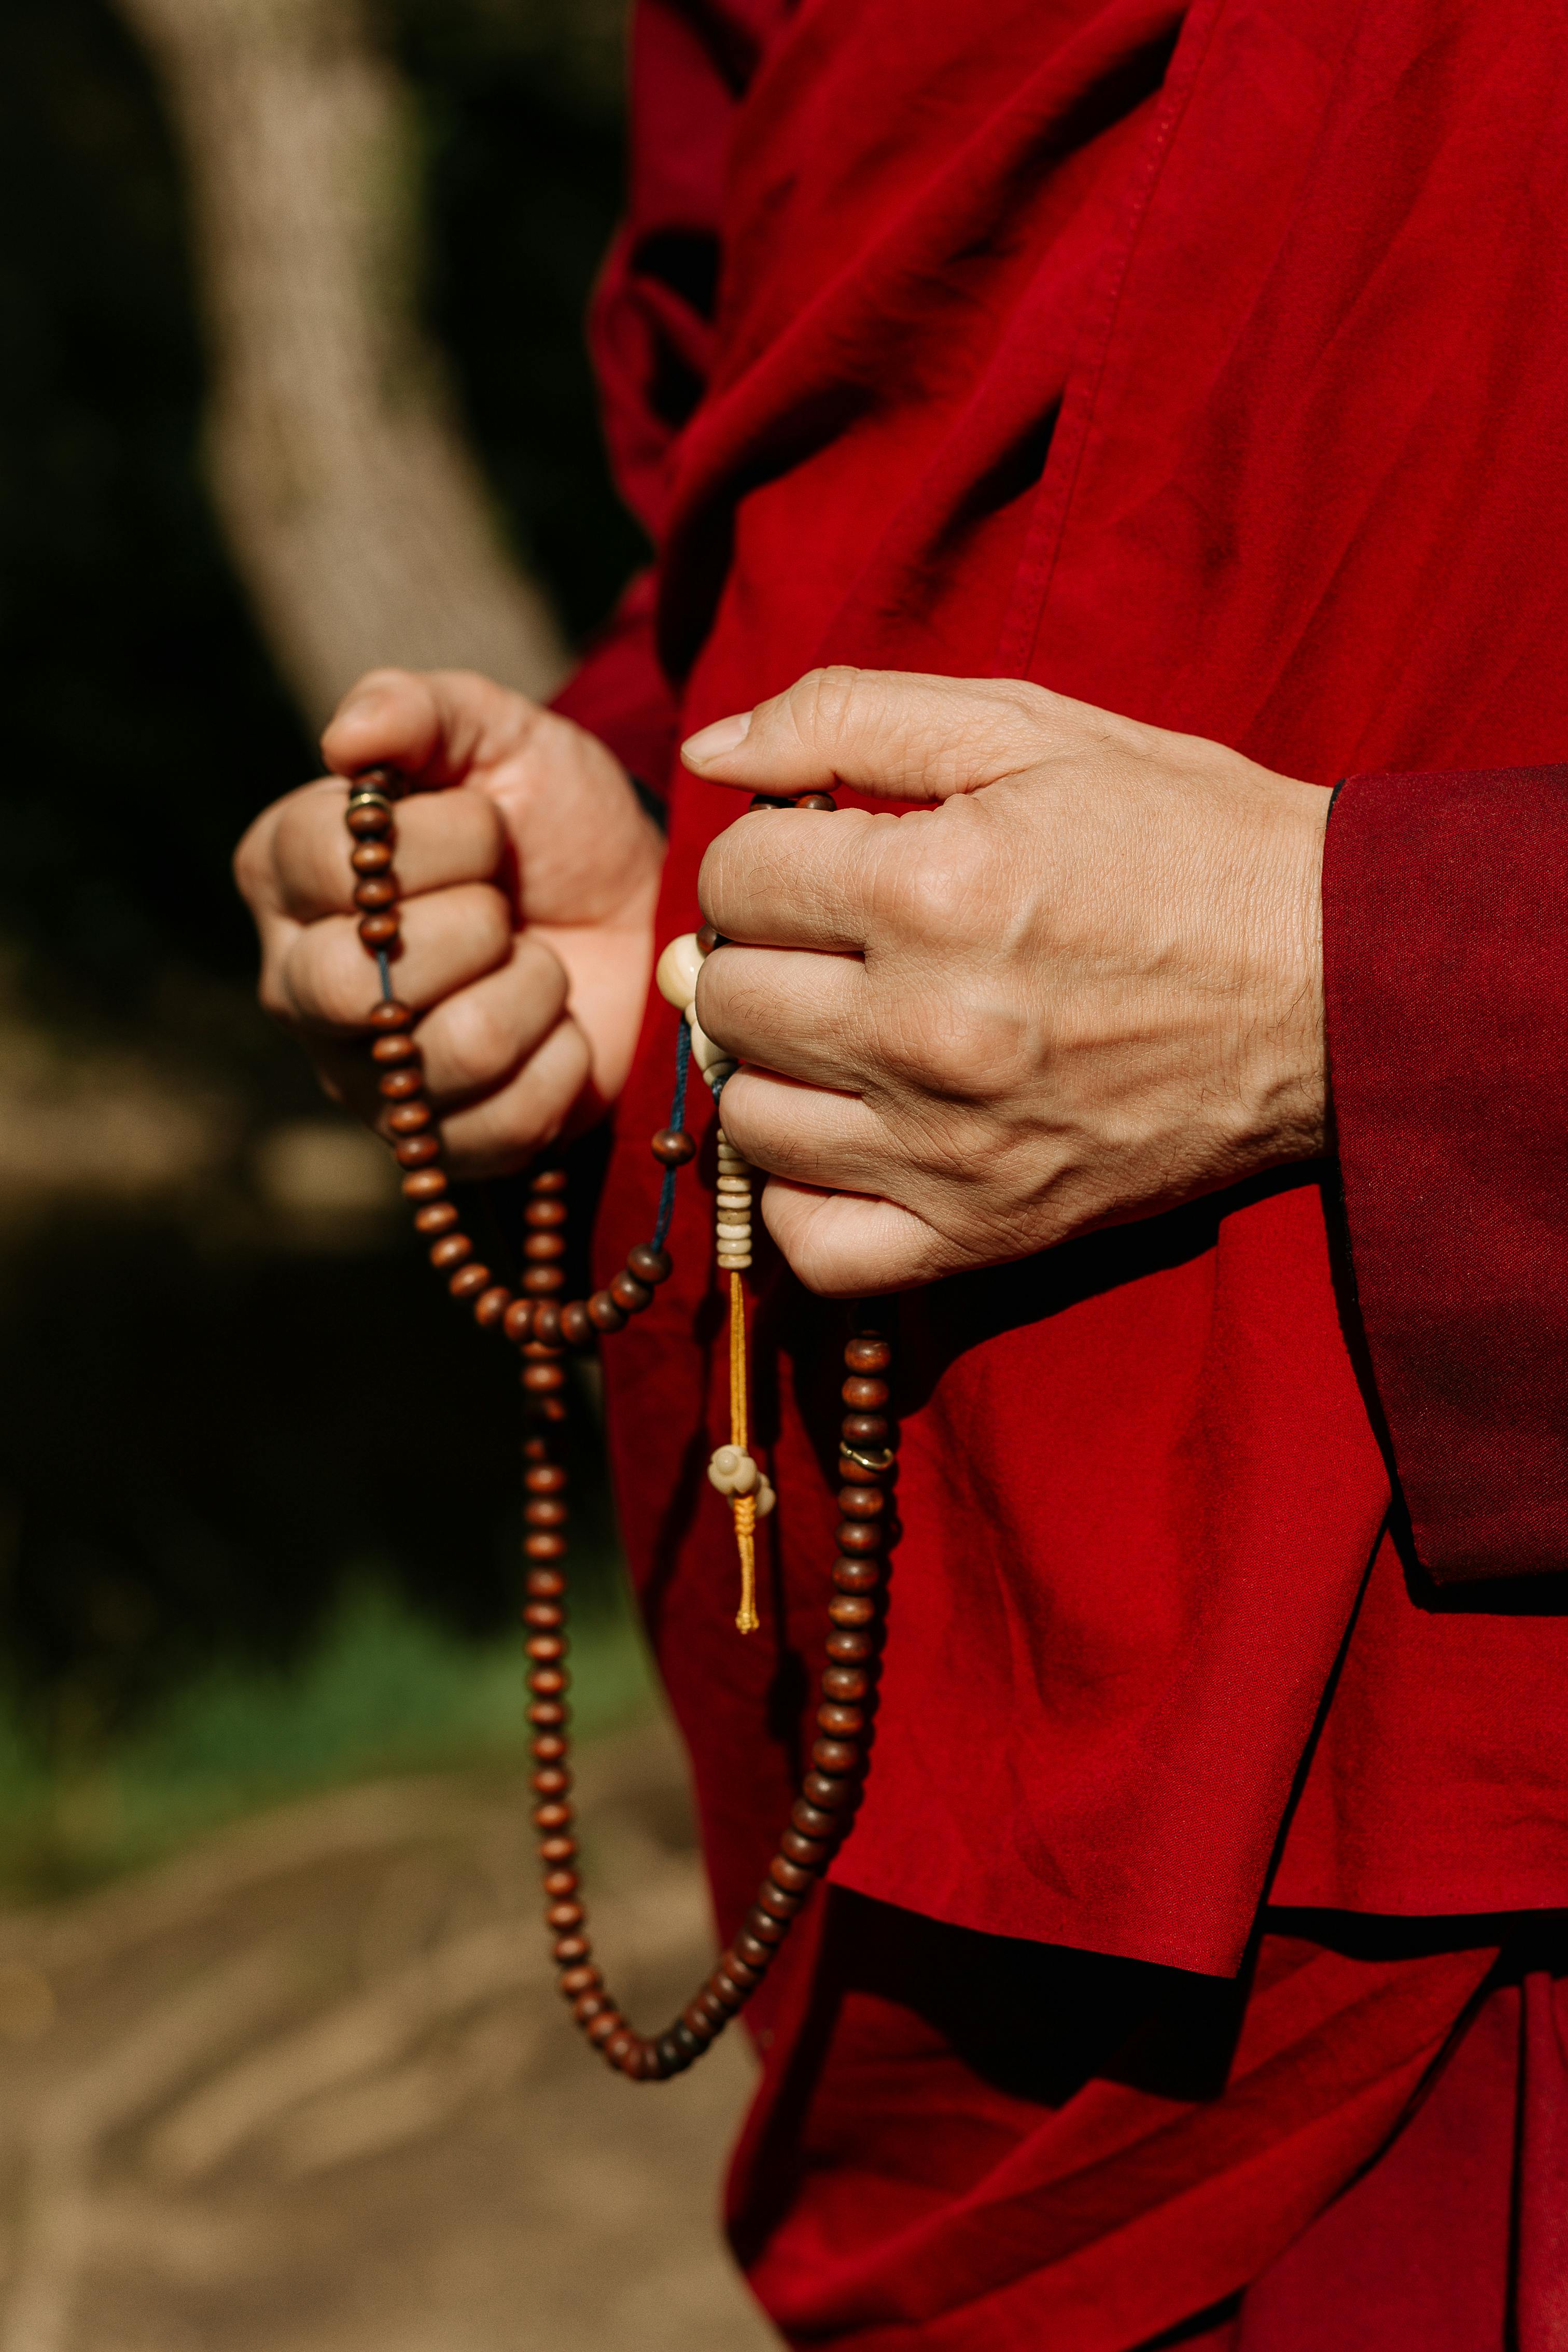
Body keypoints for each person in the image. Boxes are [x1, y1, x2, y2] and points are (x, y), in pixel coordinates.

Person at [235, 1, 1568, 2342]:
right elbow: (788, 464)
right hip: (913, 1726)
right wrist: (649, 854)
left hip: (1476, 1727)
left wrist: (1367, 981)